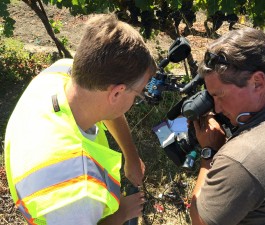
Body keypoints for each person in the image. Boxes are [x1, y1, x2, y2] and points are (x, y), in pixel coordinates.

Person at [4, 14, 156, 225]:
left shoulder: (62, 73)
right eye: (138, 93)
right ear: (116, 93)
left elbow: (109, 109)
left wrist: (130, 156)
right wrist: (121, 213)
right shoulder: (76, 192)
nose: (137, 98)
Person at [190, 27, 265, 224]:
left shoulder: (239, 160)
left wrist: (209, 151)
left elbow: (200, 221)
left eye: (219, 95)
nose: (216, 108)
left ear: (257, 82)